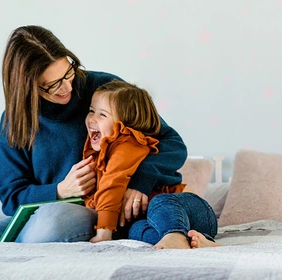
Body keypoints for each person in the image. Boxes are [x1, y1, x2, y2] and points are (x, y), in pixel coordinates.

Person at [0, 25, 187, 245]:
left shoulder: (105, 89)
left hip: (90, 210)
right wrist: (60, 190)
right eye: (52, 85)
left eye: (68, 73)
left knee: (51, 221)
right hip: (38, 212)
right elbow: (10, 197)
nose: (67, 88)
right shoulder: (15, 121)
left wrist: (140, 182)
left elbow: (171, 143)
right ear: (27, 87)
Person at [82, 80, 219, 249]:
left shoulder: (127, 142)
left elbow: (112, 183)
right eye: (91, 111)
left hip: (192, 210)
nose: (91, 119)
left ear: (126, 124)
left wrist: (104, 232)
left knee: (159, 203)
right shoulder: (101, 153)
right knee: (137, 232)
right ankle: (196, 241)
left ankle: (175, 234)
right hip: (166, 224)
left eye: (102, 115)